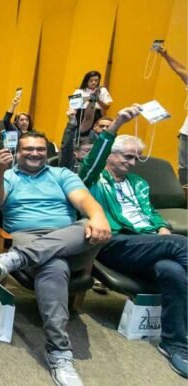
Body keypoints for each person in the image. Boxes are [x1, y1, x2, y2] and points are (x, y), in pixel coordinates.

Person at [0, 131, 111, 386]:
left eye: (40, 149)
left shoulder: (62, 175)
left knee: (90, 223)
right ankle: (60, 352)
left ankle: (18, 258)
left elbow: (85, 200)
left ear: (47, 152)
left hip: (69, 237)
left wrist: (98, 216)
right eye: (28, 149)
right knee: (53, 265)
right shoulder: (8, 176)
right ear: (17, 152)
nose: (34, 153)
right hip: (27, 235)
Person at [78, 107, 187, 378]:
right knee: (180, 244)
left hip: (148, 244)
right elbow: (91, 161)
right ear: (110, 156)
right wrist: (117, 125)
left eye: (137, 158)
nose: (133, 163)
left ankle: (175, 344)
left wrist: (161, 227)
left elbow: (149, 213)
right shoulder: (93, 180)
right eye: (128, 156)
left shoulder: (138, 182)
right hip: (114, 243)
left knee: (172, 270)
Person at [156, 46, 188, 184]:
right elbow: (181, 70)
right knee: (184, 168)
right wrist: (166, 56)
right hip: (186, 133)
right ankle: (185, 196)